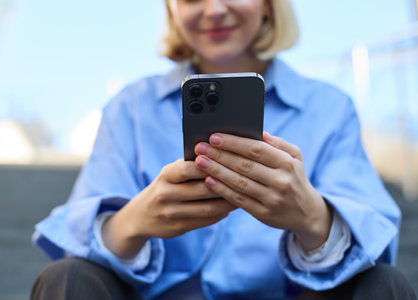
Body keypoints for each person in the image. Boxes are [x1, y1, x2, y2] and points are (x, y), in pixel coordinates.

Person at [31, 0, 416, 299]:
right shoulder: (129, 108)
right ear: (174, 11)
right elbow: (75, 247)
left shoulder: (330, 109)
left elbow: (376, 236)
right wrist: (135, 221)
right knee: (67, 279)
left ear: (268, 4)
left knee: (382, 285)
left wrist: (313, 218)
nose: (214, 10)